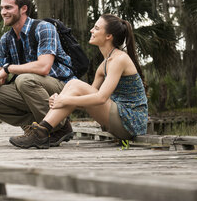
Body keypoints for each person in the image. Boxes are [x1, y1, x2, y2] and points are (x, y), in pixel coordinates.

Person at [11, 13, 148, 149]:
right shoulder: (105, 64)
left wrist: (64, 100)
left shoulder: (119, 59)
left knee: (74, 84)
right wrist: (61, 98)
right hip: (117, 120)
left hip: (130, 122)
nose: (91, 30)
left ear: (108, 36)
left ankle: (41, 132)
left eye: (96, 28)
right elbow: (87, 102)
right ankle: (42, 131)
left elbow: (101, 98)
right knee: (72, 85)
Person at [0, 0, 76, 148]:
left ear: (23, 9)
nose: (3, 12)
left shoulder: (44, 28)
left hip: (62, 88)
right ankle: (36, 128)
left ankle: (58, 127)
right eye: (2, 8)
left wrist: (9, 69)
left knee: (24, 80)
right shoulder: (6, 39)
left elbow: (44, 67)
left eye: (8, 8)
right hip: (31, 88)